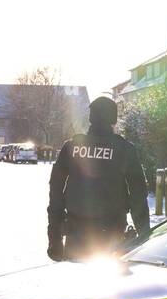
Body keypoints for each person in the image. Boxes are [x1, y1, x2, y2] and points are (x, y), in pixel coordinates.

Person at [47, 95, 150, 262]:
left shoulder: (72, 147)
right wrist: (145, 239)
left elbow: (56, 194)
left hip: (76, 238)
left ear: (91, 118)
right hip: (112, 240)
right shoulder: (124, 150)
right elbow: (138, 196)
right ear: (113, 121)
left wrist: (55, 239)